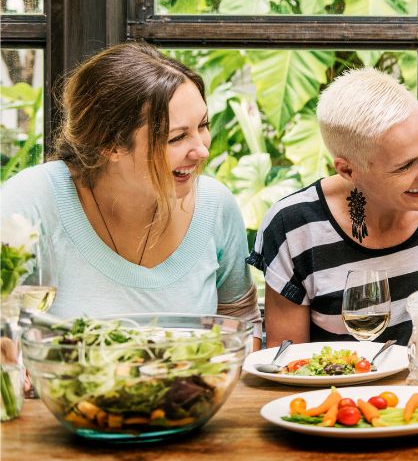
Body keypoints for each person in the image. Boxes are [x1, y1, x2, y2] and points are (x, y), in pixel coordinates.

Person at [0, 42, 257, 323]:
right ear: (110, 145)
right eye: (177, 138)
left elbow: (239, 317)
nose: (202, 151)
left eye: (203, 126)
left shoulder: (214, 205)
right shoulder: (31, 201)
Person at [251, 68, 418, 353]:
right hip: (351, 395)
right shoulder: (294, 227)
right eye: (405, 166)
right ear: (348, 170)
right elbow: (287, 360)